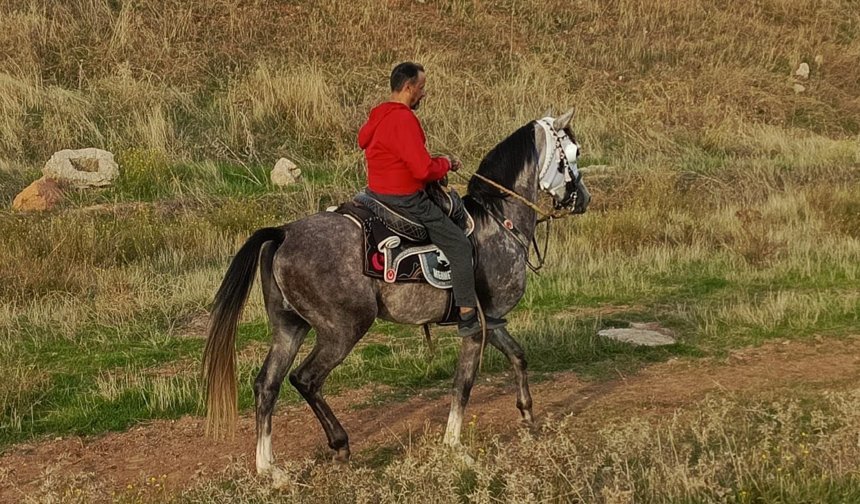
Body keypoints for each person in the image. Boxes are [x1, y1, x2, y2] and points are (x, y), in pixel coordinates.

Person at [357, 62, 505, 336]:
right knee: (460, 244)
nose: (424, 94)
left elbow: (405, 159)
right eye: (422, 88)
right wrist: (446, 164)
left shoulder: (378, 115)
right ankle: (467, 315)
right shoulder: (404, 119)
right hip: (405, 200)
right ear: (409, 87)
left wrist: (436, 163)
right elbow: (422, 170)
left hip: (376, 195)